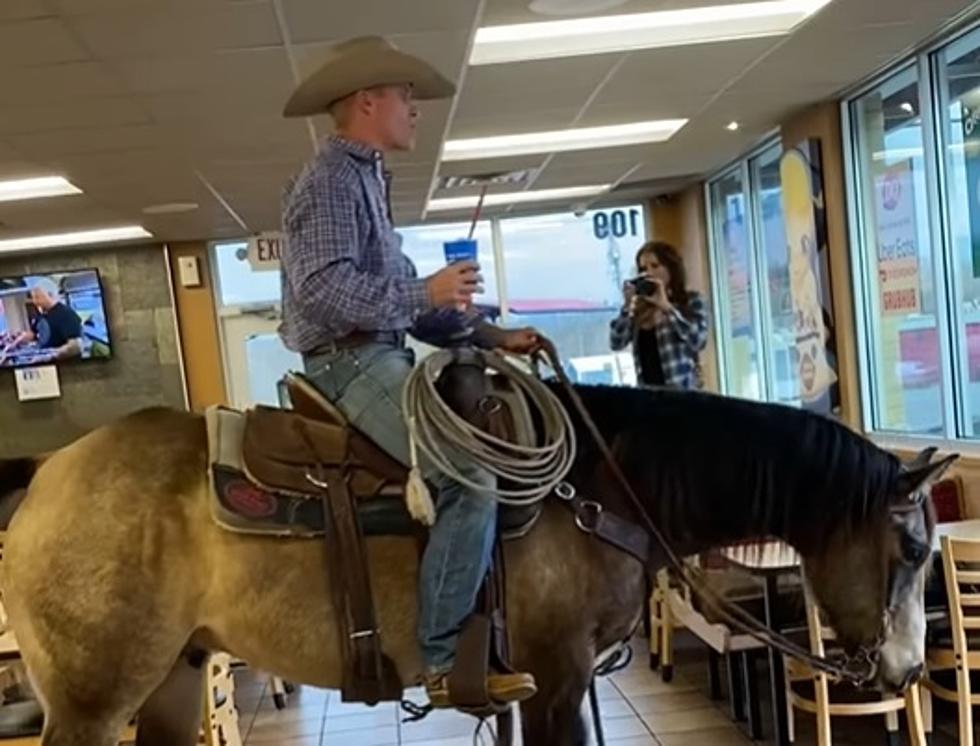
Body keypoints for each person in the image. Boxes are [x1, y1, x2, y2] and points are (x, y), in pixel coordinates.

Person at [278, 36, 538, 708]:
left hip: (380, 352)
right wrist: (426, 292)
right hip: (349, 363)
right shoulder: (332, 178)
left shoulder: (365, 175)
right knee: (470, 479)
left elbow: (410, 304)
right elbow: (324, 291)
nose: (415, 110)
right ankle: (444, 660)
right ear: (368, 101)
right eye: (405, 97)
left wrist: (490, 332)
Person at [610, 241, 708, 389]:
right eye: (643, 268)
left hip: (682, 395)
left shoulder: (691, 300)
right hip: (649, 397)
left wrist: (667, 307)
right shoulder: (639, 306)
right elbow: (616, 343)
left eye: (655, 266)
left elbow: (699, 340)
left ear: (670, 269)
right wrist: (627, 306)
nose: (648, 273)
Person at [7, 277, 83, 362]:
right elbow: (33, 333)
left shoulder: (67, 314)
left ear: (50, 295)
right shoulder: (42, 313)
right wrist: (15, 344)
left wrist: (49, 356)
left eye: (38, 297)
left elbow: (76, 346)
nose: (34, 301)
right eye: (33, 297)